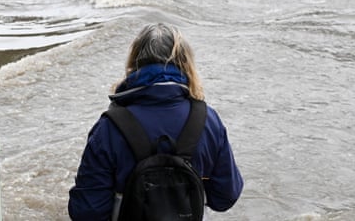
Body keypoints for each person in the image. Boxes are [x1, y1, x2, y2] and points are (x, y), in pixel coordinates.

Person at [69, 23, 243, 219]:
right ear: (186, 64)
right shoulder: (208, 121)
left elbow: (86, 212)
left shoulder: (109, 128)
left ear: (134, 62)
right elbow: (225, 197)